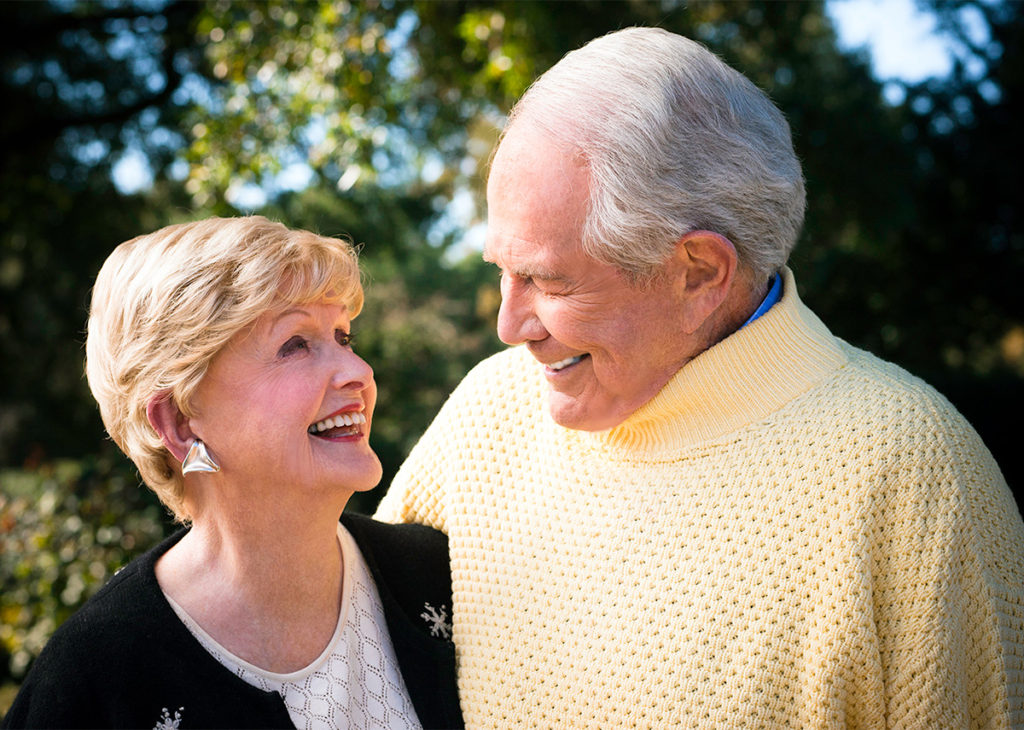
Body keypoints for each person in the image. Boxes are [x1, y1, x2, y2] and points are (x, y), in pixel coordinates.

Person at [375, 26, 1024, 728]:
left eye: (546, 281)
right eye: (501, 271)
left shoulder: (916, 475)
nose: (508, 326)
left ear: (700, 275)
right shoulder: (486, 414)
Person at [3, 217, 463, 730]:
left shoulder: (437, 576)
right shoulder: (95, 677)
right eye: (295, 344)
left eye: (342, 336)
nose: (359, 372)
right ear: (178, 421)